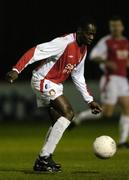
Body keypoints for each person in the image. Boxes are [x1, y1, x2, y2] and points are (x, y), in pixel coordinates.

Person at [6, 18, 102, 172]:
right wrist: (16, 70)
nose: (91, 37)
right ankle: (44, 158)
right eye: (88, 33)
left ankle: (42, 161)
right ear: (79, 31)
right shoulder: (63, 42)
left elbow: (78, 76)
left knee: (58, 121)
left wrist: (89, 101)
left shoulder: (83, 49)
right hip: (43, 80)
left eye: (93, 34)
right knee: (68, 113)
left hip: (55, 84)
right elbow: (35, 51)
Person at [73, 16, 129, 148]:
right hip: (111, 79)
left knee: (128, 108)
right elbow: (93, 56)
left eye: (117, 26)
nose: (115, 28)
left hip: (122, 79)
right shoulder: (106, 41)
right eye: (113, 26)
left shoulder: (126, 42)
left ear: (122, 27)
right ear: (111, 28)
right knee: (107, 113)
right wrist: (106, 62)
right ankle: (81, 116)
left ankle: (122, 141)